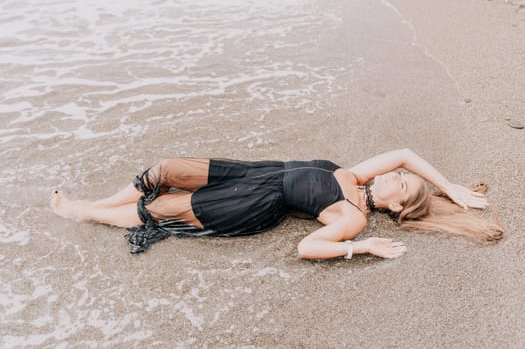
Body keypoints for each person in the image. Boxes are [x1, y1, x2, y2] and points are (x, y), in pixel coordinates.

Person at [51, 149, 503, 258]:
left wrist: (359, 248)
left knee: (164, 209)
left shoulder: (352, 216)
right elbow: (405, 152)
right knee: (166, 170)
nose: (395, 175)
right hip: (256, 172)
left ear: (393, 208)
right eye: (402, 178)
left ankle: (83, 212)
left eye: (400, 187)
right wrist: (452, 187)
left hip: (254, 204)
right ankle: (99, 201)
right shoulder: (357, 175)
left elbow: (307, 248)